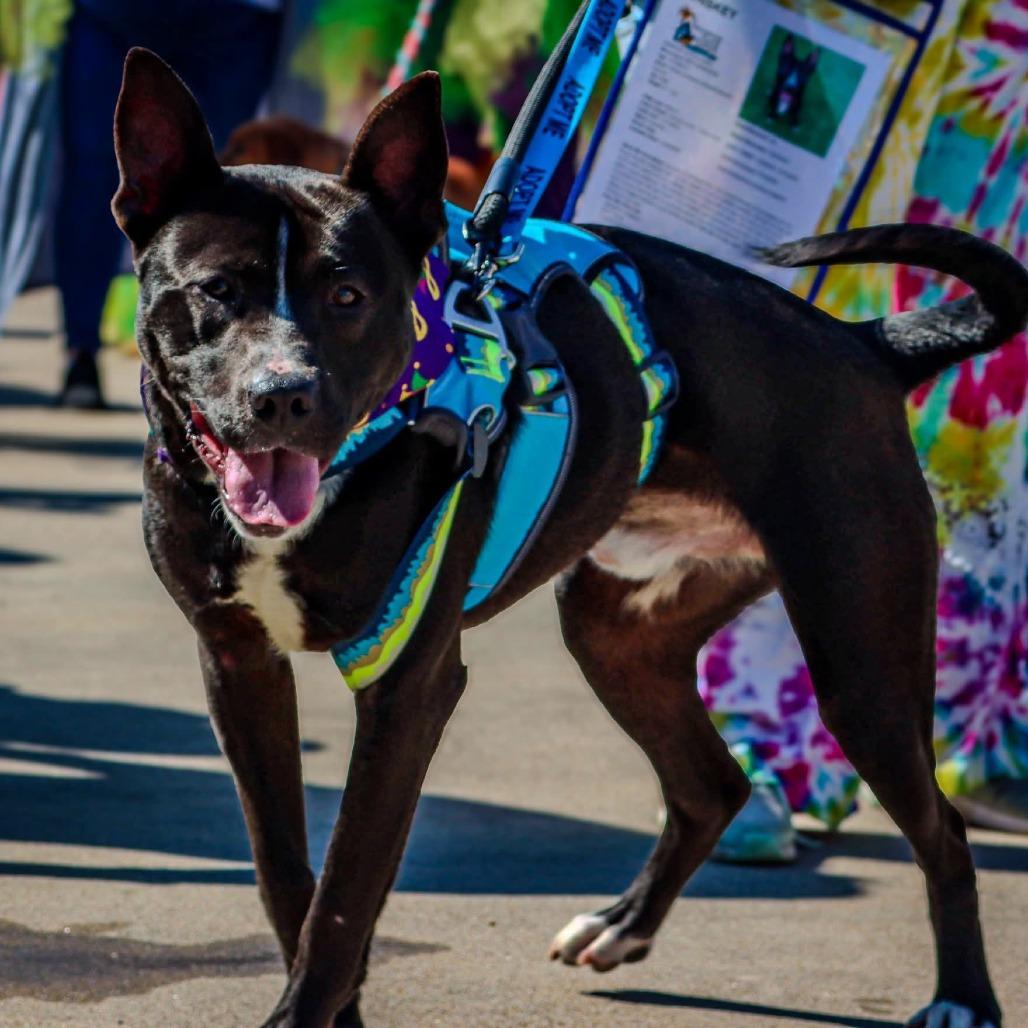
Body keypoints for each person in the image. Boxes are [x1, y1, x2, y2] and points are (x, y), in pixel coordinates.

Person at [701, 0, 1028, 862]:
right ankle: (750, 741)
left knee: (982, 399)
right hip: (837, 23)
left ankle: (970, 731)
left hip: (1002, 54)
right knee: (784, 365)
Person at [55, 0, 282, 408]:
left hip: (237, 18)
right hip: (112, 14)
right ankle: (81, 347)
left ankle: (233, 354)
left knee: (230, 187)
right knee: (95, 177)